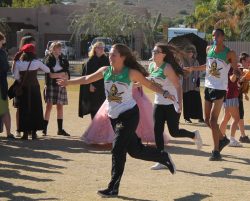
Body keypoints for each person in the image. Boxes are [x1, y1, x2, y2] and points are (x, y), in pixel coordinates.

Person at [58, 43, 176, 197]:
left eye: (113, 54)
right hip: (114, 117)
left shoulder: (131, 73)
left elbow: (149, 84)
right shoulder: (105, 71)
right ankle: (162, 156)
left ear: (123, 57)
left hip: (129, 115)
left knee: (118, 148)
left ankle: (113, 187)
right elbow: (87, 78)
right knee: (135, 151)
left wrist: (165, 92)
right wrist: (68, 82)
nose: (110, 56)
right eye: (109, 54)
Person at [184, 29, 240, 160]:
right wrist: (193, 69)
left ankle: (216, 151)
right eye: (213, 35)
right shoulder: (208, 48)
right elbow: (207, 67)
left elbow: (235, 69)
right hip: (208, 87)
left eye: (217, 35)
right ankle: (222, 138)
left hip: (220, 88)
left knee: (213, 120)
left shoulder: (229, 53)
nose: (214, 37)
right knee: (207, 120)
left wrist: (237, 75)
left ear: (223, 37)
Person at [148, 43, 202, 170]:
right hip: (158, 103)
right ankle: (162, 159)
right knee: (157, 131)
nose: (153, 53)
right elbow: (150, 82)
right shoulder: (151, 66)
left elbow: (178, 86)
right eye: (153, 51)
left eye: (157, 52)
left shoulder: (167, 68)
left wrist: (179, 104)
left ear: (163, 55)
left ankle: (194, 135)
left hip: (171, 104)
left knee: (174, 132)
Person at [82, 86, 170, 145]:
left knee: (139, 116)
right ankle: (115, 137)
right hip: (121, 96)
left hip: (133, 95)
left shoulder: (133, 70)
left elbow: (143, 82)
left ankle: (129, 138)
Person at [13, 44, 50, 140]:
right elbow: (47, 70)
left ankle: (25, 133)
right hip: (34, 88)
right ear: (34, 53)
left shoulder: (18, 63)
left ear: (23, 53)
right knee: (36, 109)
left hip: (24, 89)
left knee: (24, 109)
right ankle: (33, 133)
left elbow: (16, 77)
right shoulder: (37, 62)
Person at [43, 41, 70, 136]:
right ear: (52, 49)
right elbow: (50, 75)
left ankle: (60, 130)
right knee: (49, 106)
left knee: (60, 107)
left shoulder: (63, 59)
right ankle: (44, 129)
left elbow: (67, 73)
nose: (58, 50)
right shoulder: (48, 58)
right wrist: (61, 74)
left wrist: (63, 76)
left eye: (59, 48)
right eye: (56, 48)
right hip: (51, 85)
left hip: (61, 85)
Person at [79, 42, 109, 119]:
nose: (102, 49)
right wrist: (89, 85)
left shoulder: (107, 60)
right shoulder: (90, 61)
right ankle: (95, 127)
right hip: (94, 88)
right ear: (95, 49)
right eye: (99, 47)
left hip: (104, 88)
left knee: (105, 109)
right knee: (95, 109)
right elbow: (86, 75)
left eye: (102, 47)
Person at [13, 35, 36, 137]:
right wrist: (20, 80)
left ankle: (29, 129)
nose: (34, 45)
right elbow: (14, 71)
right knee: (19, 108)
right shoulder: (18, 55)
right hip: (20, 85)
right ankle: (18, 129)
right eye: (32, 43)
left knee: (30, 107)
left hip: (30, 85)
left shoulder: (32, 54)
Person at [219, 68, 242, 147]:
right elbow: (232, 79)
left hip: (229, 95)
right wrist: (236, 73)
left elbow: (235, 81)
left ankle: (220, 137)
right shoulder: (230, 68)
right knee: (236, 118)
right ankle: (231, 139)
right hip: (231, 96)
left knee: (226, 117)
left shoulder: (229, 67)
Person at [182, 45, 204, 123]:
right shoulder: (183, 61)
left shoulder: (196, 61)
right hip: (186, 85)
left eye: (191, 52)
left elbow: (199, 72)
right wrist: (187, 74)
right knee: (187, 101)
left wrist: (197, 78)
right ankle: (187, 118)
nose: (190, 53)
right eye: (188, 51)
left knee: (197, 100)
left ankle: (200, 117)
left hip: (195, 84)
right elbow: (181, 73)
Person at [0, 32, 15, 139]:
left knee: (5, 109)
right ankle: (8, 133)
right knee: (5, 110)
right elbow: (5, 68)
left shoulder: (3, 53)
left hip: (1, 85)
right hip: (1, 85)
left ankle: (9, 133)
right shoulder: (3, 53)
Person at [237, 52, 250, 143]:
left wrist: (245, 94)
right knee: (239, 115)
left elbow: (243, 84)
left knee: (235, 116)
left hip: (237, 95)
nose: (249, 63)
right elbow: (237, 83)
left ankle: (243, 135)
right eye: (248, 61)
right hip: (234, 95)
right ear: (243, 61)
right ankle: (242, 136)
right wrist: (242, 78)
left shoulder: (244, 70)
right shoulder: (239, 69)